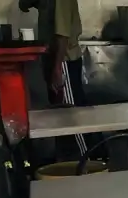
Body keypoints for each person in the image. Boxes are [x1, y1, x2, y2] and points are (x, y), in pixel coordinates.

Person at [20, 0, 85, 153]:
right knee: (60, 117)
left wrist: (57, 68)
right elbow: (23, 5)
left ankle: (90, 158)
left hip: (64, 61)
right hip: (53, 59)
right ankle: (67, 161)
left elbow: (63, 35)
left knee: (72, 115)